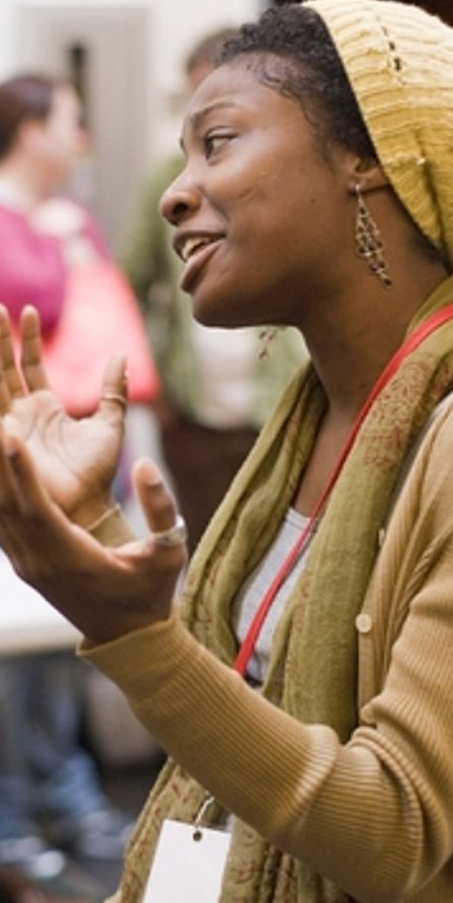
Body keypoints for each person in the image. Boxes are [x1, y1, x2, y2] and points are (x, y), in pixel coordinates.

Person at [0, 0, 453, 903]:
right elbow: (240, 686)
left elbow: (389, 831)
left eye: (216, 142)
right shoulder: (312, 416)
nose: (176, 194)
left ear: (365, 160)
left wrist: (131, 636)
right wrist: (90, 523)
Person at [0, 73, 131, 875]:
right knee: (9, 656)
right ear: (30, 131)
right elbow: (30, 300)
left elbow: (101, 291)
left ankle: (62, 798)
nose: (81, 141)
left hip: (77, 450)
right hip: (6, 457)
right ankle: (0, 819)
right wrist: (58, 243)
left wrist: (63, 236)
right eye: (71, 123)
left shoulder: (61, 213)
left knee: (65, 641)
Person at [122, 29, 306, 551]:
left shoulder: (284, 176)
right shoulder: (166, 181)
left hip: (277, 404)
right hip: (192, 413)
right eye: (191, 99)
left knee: (277, 551)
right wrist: (153, 382)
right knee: (207, 552)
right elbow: (129, 282)